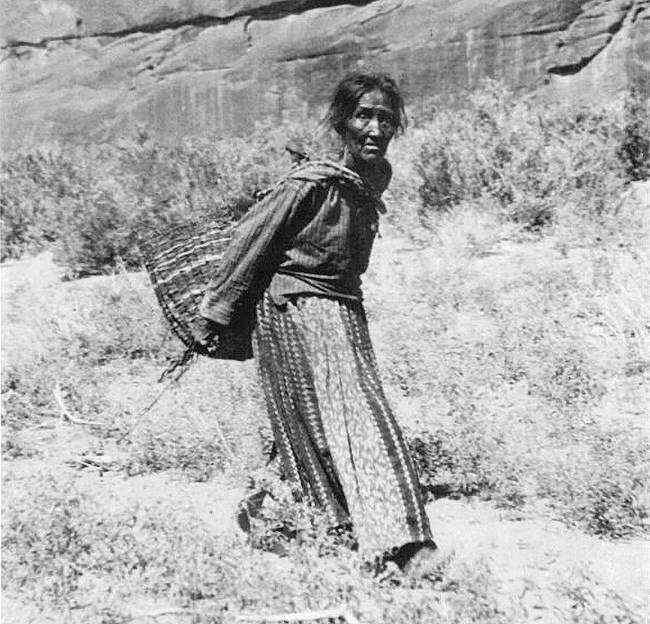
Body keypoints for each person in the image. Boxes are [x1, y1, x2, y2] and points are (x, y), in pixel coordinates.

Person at [194, 73, 437, 571]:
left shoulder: (376, 175)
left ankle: (267, 512)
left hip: (344, 306)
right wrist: (215, 311)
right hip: (292, 306)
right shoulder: (310, 183)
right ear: (341, 122)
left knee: (326, 416)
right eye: (363, 116)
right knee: (343, 416)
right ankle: (401, 544)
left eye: (385, 119)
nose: (375, 128)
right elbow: (252, 239)